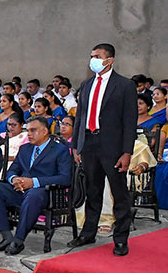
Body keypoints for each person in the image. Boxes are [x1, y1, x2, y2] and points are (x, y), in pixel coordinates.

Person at [68, 43, 138, 257]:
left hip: (113, 147)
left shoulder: (125, 85)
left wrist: (127, 152)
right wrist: (76, 145)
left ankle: (121, 238)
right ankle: (88, 232)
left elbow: (129, 121)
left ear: (110, 59)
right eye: (91, 56)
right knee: (92, 190)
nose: (93, 60)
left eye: (97, 56)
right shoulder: (87, 84)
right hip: (89, 144)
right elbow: (79, 117)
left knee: (119, 193)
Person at [0, 116, 73, 255]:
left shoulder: (60, 150)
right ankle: (7, 236)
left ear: (44, 132)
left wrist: (34, 182)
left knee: (34, 194)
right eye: (28, 130)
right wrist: (14, 179)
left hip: (46, 194)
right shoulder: (25, 148)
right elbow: (12, 170)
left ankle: (18, 240)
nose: (29, 134)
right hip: (21, 191)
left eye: (33, 130)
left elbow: (65, 178)